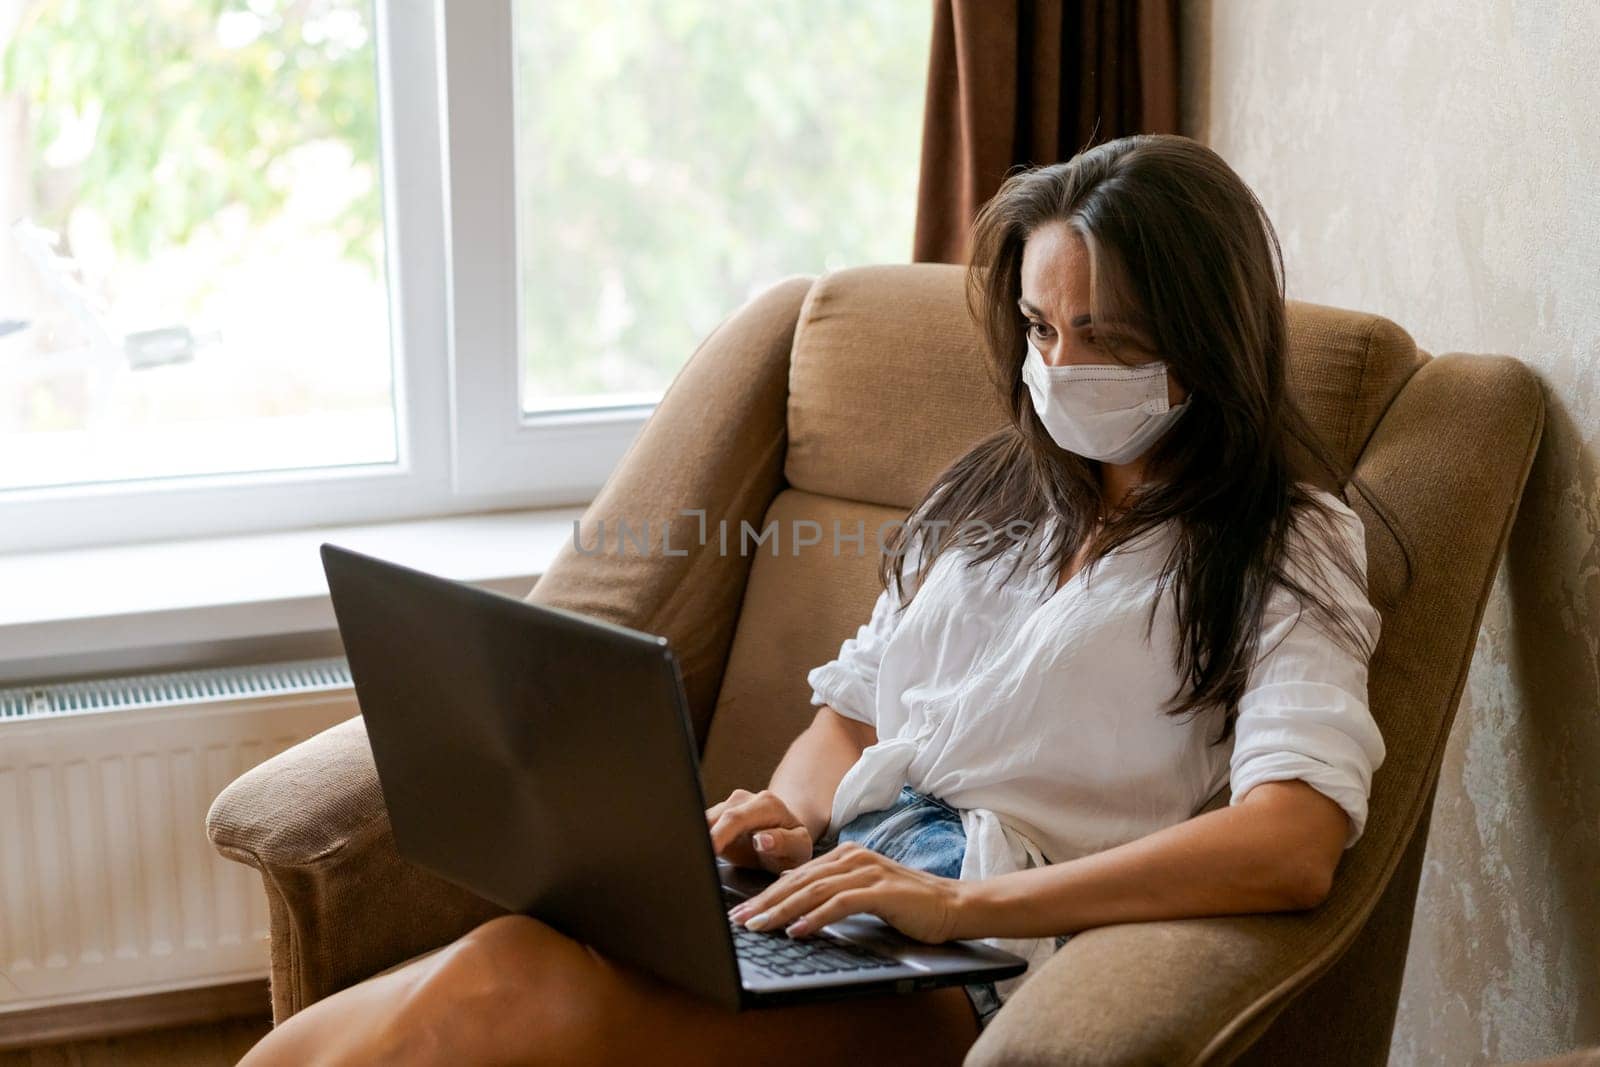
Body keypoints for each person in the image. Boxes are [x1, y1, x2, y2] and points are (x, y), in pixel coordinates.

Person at [238, 132, 1388, 1067]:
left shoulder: (1288, 548)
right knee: (387, 1006)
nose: (1058, 366)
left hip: (978, 965)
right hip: (842, 901)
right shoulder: (994, 500)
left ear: (1204, 340)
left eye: (1103, 336)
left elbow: (1290, 842)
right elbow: (850, 716)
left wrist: (956, 908)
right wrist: (788, 814)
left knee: (505, 988)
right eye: (1041, 327)